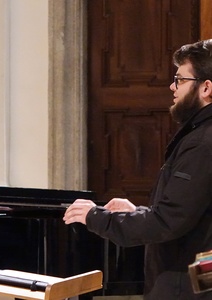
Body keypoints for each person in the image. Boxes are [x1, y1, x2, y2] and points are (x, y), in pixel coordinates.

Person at [63, 39, 212, 299]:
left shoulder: (203, 143)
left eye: (180, 79)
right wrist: (137, 212)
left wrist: (96, 217)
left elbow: (168, 221)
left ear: (206, 87)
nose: (172, 86)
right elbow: (188, 213)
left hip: (186, 284)